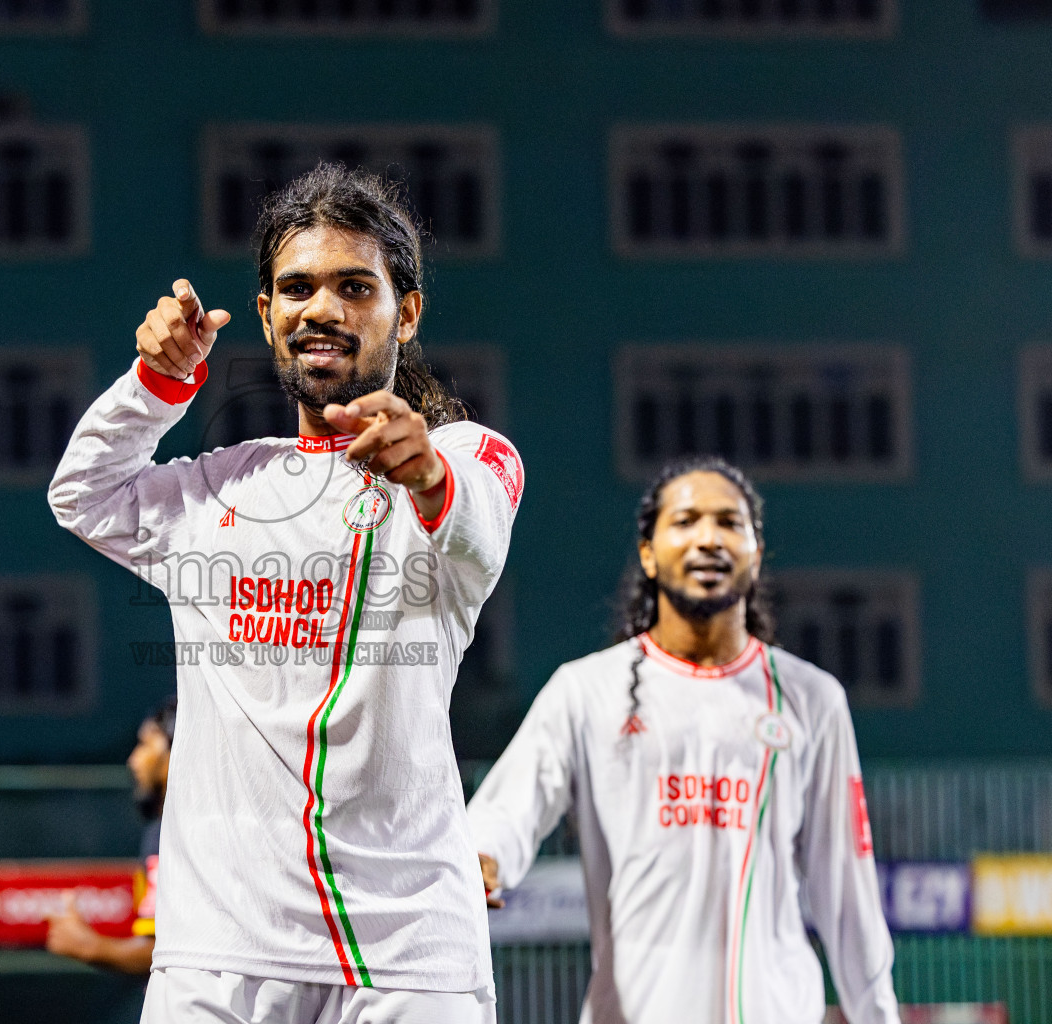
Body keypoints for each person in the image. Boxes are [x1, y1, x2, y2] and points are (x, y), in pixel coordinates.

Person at [49, 163, 523, 1024]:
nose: (322, 309)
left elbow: (477, 520)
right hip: (221, 957)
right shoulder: (220, 489)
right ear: (265, 314)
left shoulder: (469, 458)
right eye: (296, 287)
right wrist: (157, 386)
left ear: (405, 311)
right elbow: (81, 495)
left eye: (355, 286)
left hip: (410, 960)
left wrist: (423, 470)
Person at [466, 456, 900, 1024]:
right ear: (648, 552)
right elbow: (507, 808)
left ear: (756, 552)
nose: (708, 539)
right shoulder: (587, 690)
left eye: (729, 523)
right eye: (686, 520)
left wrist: (879, 1014)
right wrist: (482, 857)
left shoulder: (811, 699)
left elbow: (849, 895)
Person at [45, 696, 175, 974]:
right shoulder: (180, 828)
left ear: (176, 751)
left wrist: (90, 946)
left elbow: (166, 953)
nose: (134, 760)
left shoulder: (170, 835)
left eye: (145, 744)